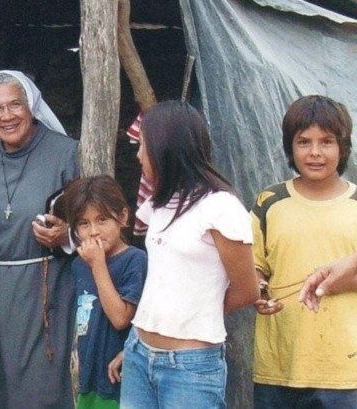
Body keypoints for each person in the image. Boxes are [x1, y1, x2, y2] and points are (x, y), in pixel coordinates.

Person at [120, 100, 258, 408]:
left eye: (143, 145)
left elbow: (247, 290)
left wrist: (198, 310)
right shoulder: (159, 203)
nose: (139, 154)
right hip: (139, 352)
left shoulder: (220, 207)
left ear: (166, 149)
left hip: (190, 365)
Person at [0, 70, 79, 408]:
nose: (6, 116)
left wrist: (66, 235)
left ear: (32, 105)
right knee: (2, 383)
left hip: (48, 287)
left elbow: (94, 224)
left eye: (15, 105)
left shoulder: (67, 153)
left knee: (43, 384)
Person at [251, 95, 357, 408]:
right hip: (278, 368)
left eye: (326, 142)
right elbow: (254, 268)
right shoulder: (269, 202)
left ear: (343, 147)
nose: (314, 153)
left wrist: (337, 281)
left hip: (345, 371)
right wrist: (257, 290)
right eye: (303, 142)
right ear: (289, 147)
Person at [65, 175, 147, 409]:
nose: (93, 232)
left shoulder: (134, 260)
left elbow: (121, 318)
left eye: (102, 220)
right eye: (83, 223)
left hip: (119, 380)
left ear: (122, 217)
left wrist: (98, 265)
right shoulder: (79, 264)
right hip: (89, 376)